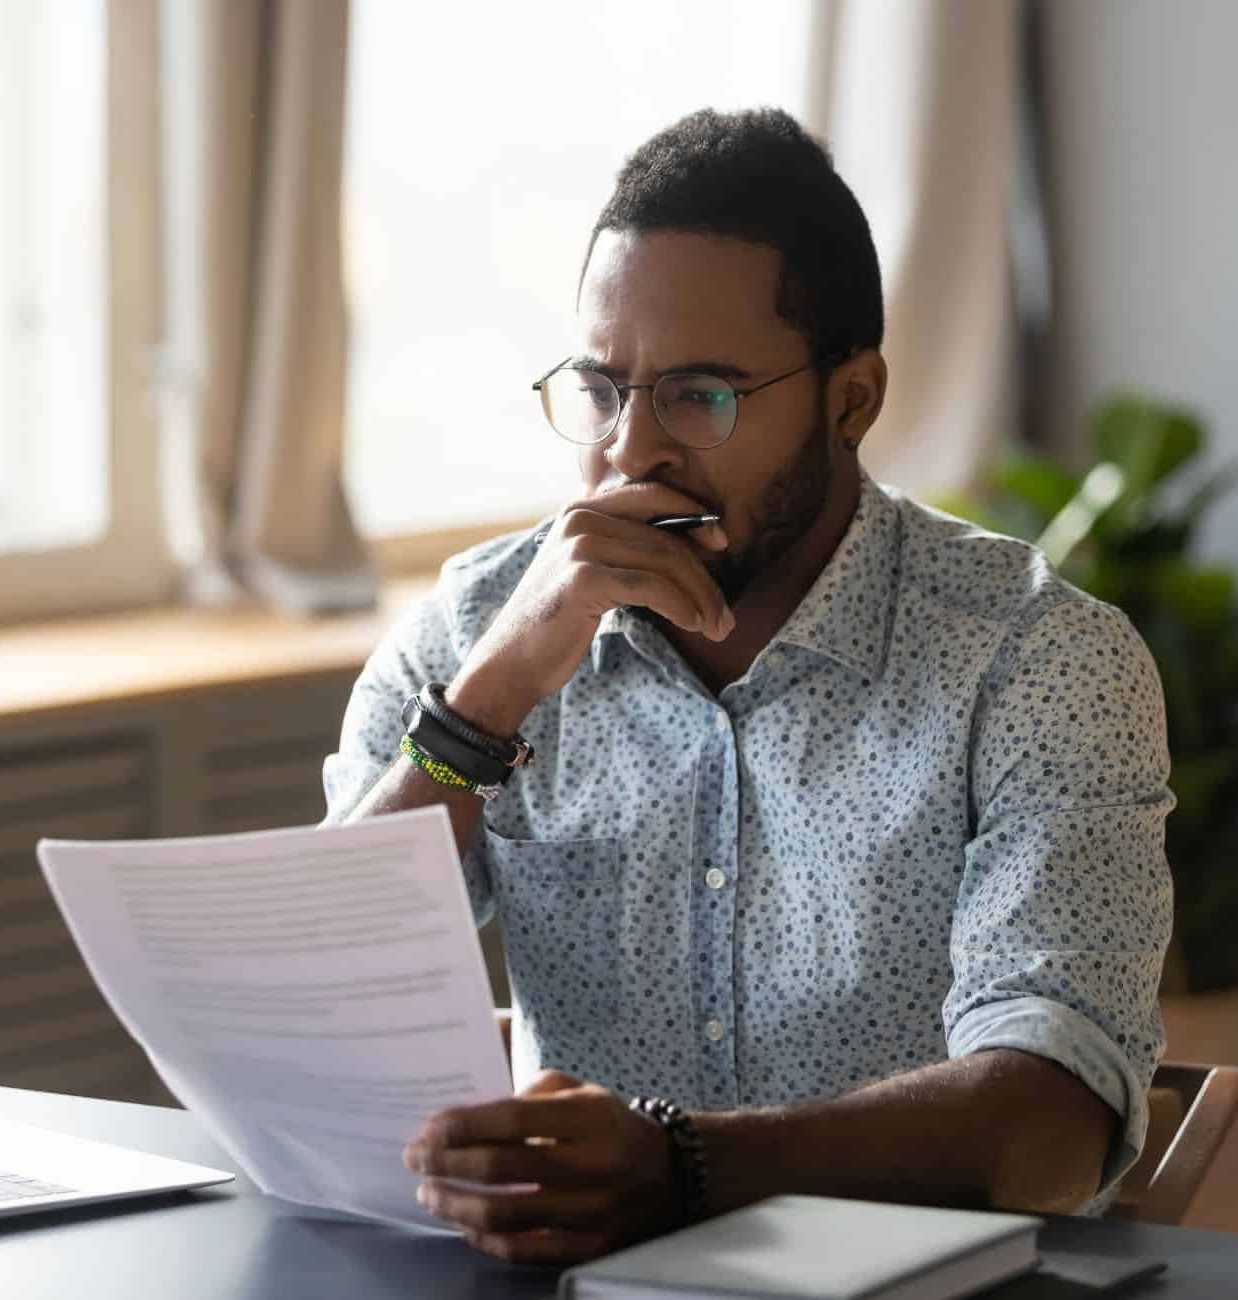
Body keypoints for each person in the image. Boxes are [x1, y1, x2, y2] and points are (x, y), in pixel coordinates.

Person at [322, 107, 1172, 1266]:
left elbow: (1054, 1116)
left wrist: (684, 1167)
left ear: (850, 400)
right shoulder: (479, 636)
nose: (630, 454)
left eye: (699, 396)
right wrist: (485, 706)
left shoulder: (1036, 663)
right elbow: (318, 1005)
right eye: (603, 389)